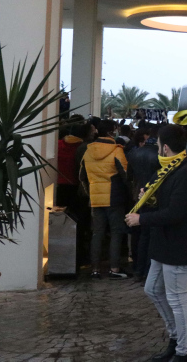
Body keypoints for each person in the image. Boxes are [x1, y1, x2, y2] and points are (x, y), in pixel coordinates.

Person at [125, 124, 187, 362]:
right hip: (164, 243)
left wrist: (141, 219)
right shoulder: (170, 168)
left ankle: (183, 352)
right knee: (152, 289)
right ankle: (176, 338)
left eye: (158, 144)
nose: (156, 147)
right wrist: (148, 200)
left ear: (165, 147)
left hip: (177, 244)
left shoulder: (186, 171)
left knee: (178, 300)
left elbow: (176, 213)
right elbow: (165, 203)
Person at [80, 119, 129, 279]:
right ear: (111, 132)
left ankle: (95, 269)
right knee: (116, 232)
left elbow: (82, 176)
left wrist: (90, 192)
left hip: (95, 198)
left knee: (97, 233)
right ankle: (114, 269)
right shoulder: (117, 150)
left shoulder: (88, 151)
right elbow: (126, 176)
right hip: (114, 197)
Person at [127, 124, 161, 282]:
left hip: (139, 196)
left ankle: (139, 269)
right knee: (153, 234)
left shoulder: (134, 153)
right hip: (156, 197)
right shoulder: (160, 155)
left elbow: (129, 176)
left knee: (142, 235)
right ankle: (149, 271)